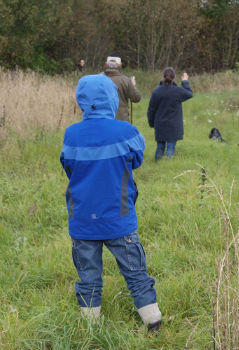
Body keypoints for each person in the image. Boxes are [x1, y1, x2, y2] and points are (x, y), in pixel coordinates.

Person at [60, 74, 162, 330]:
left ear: (81, 100)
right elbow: (137, 160)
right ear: (112, 98)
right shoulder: (126, 131)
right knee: (136, 275)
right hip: (120, 219)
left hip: (82, 221)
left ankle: (91, 327)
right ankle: (153, 322)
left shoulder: (71, 135)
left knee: (88, 277)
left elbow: (68, 166)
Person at [147, 67, 193, 160]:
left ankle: (158, 167)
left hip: (160, 125)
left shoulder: (156, 91)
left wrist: (152, 123)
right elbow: (189, 94)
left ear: (163, 77)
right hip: (173, 126)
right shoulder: (177, 91)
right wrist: (185, 82)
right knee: (170, 148)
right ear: (174, 77)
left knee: (160, 148)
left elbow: (151, 110)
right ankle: (167, 167)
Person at [104, 54, 141, 122]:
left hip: (102, 120)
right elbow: (136, 98)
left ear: (106, 64)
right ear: (120, 65)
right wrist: (133, 85)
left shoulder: (97, 79)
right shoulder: (126, 81)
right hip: (121, 121)